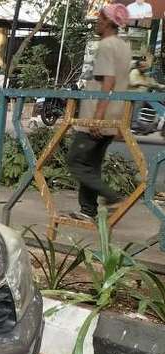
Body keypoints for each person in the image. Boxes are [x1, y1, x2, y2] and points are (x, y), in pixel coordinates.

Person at [66, 4, 132, 221]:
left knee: (75, 160)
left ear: (109, 22)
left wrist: (97, 119)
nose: (97, 22)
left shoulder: (106, 45)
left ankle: (113, 196)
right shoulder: (124, 47)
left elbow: (108, 82)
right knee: (91, 166)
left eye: (100, 19)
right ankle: (87, 211)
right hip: (114, 117)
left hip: (98, 117)